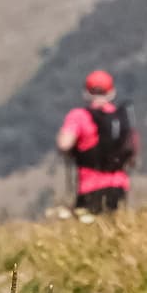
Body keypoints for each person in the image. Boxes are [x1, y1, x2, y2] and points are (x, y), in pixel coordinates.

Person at [55, 68, 135, 216]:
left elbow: (64, 144)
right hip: (119, 187)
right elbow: (132, 150)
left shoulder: (79, 116)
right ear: (112, 92)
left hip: (90, 186)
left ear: (86, 92)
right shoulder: (121, 118)